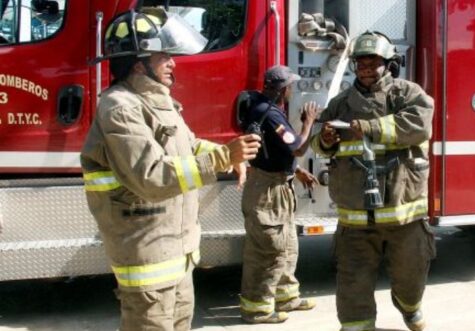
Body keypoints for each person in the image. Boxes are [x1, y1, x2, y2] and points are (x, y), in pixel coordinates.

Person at [80, 8, 260, 331]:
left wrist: (227, 154)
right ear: (139, 63)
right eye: (164, 56)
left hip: (177, 258)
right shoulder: (119, 107)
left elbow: (188, 147)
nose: (173, 63)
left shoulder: (158, 103)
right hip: (148, 262)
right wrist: (220, 160)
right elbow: (152, 176)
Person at [310, 31, 435, 331]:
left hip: (403, 215)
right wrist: (325, 140)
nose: (366, 67)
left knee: (411, 277)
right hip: (355, 220)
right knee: (353, 287)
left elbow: (419, 126)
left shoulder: (407, 94)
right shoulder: (340, 104)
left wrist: (369, 127)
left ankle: (410, 307)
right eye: (361, 62)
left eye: (373, 61)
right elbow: (317, 143)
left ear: (388, 63)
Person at [238, 65, 319, 324]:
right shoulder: (270, 114)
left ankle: (286, 296)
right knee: (267, 250)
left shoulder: (262, 107)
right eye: (290, 87)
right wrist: (308, 124)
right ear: (282, 89)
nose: (291, 91)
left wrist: (297, 173)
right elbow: (296, 147)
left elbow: (277, 152)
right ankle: (257, 309)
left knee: (287, 245)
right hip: (267, 192)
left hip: (276, 187)